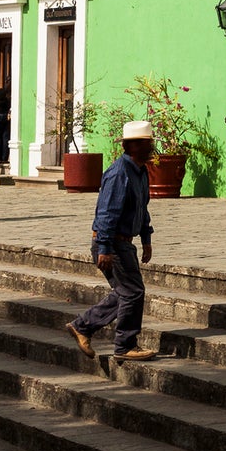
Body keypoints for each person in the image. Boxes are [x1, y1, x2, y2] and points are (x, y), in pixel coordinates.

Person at [66, 120, 159, 361]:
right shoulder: (119, 173)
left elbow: (142, 207)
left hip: (124, 242)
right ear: (133, 146)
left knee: (126, 291)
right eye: (147, 143)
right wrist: (105, 248)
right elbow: (107, 212)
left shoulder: (139, 172)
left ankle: (83, 326)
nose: (151, 147)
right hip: (112, 243)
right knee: (133, 292)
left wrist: (146, 237)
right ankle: (125, 345)